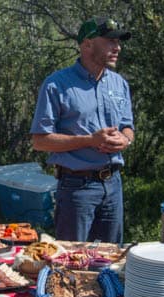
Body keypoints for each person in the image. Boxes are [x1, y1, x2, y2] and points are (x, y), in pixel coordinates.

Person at [30, 16, 135, 243]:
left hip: (113, 185)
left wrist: (125, 140)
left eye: (118, 41)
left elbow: (128, 127)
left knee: (109, 262)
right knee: (72, 263)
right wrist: (89, 140)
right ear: (87, 44)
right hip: (77, 189)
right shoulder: (56, 84)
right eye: (109, 41)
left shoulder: (119, 84)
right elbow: (40, 140)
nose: (117, 47)